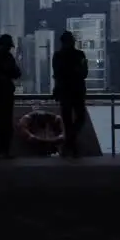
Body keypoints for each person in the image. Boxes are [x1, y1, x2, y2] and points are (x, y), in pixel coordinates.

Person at [52, 30, 89, 158]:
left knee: (67, 120)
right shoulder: (80, 55)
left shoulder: (57, 56)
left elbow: (57, 74)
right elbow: (84, 73)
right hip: (77, 90)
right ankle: (71, 144)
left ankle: (69, 144)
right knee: (80, 117)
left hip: (64, 91)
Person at [0, 34, 22, 158]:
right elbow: (16, 73)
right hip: (4, 94)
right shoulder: (7, 57)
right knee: (5, 123)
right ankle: (4, 150)